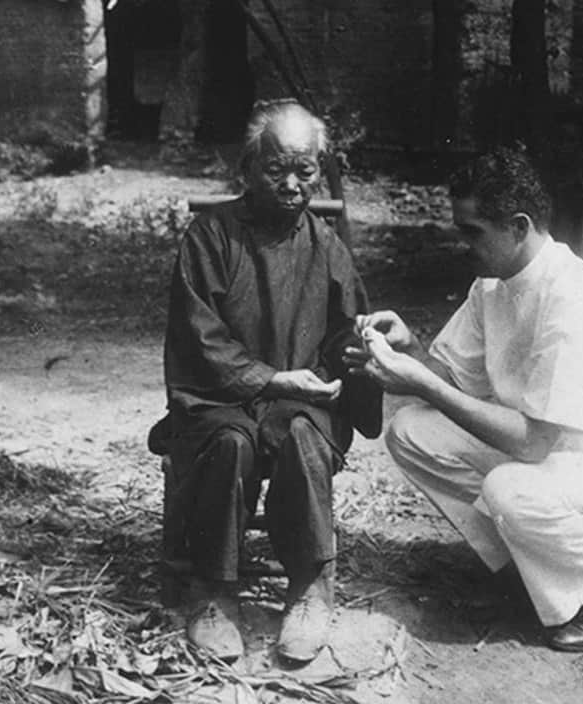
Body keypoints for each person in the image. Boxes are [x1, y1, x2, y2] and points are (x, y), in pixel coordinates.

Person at [345, 147, 583, 653]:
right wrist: (411, 349)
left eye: (473, 231)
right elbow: (454, 379)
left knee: (510, 487)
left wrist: (420, 381)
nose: (463, 245)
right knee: (412, 431)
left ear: (519, 227)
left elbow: (531, 445)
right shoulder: (493, 285)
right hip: (560, 453)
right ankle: (521, 571)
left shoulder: (571, 299)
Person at [156, 100, 380, 664]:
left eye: (305, 171)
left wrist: (349, 357)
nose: (291, 184)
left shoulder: (328, 247)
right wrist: (274, 378)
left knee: (305, 433)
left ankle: (309, 588)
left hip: (298, 404)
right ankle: (214, 593)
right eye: (276, 168)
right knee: (229, 443)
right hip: (219, 401)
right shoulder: (209, 239)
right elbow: (199, 341)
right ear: (248, 169)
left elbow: (341, 334)